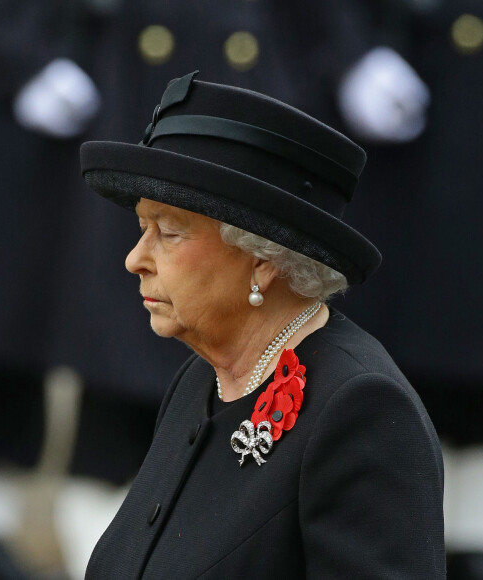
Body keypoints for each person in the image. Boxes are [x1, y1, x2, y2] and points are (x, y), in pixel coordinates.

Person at [80, 71, 445, 579]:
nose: (135, 259)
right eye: (142, 229)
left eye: (167, 232)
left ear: (262, 259)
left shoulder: (360, 410)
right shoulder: (201, 381)